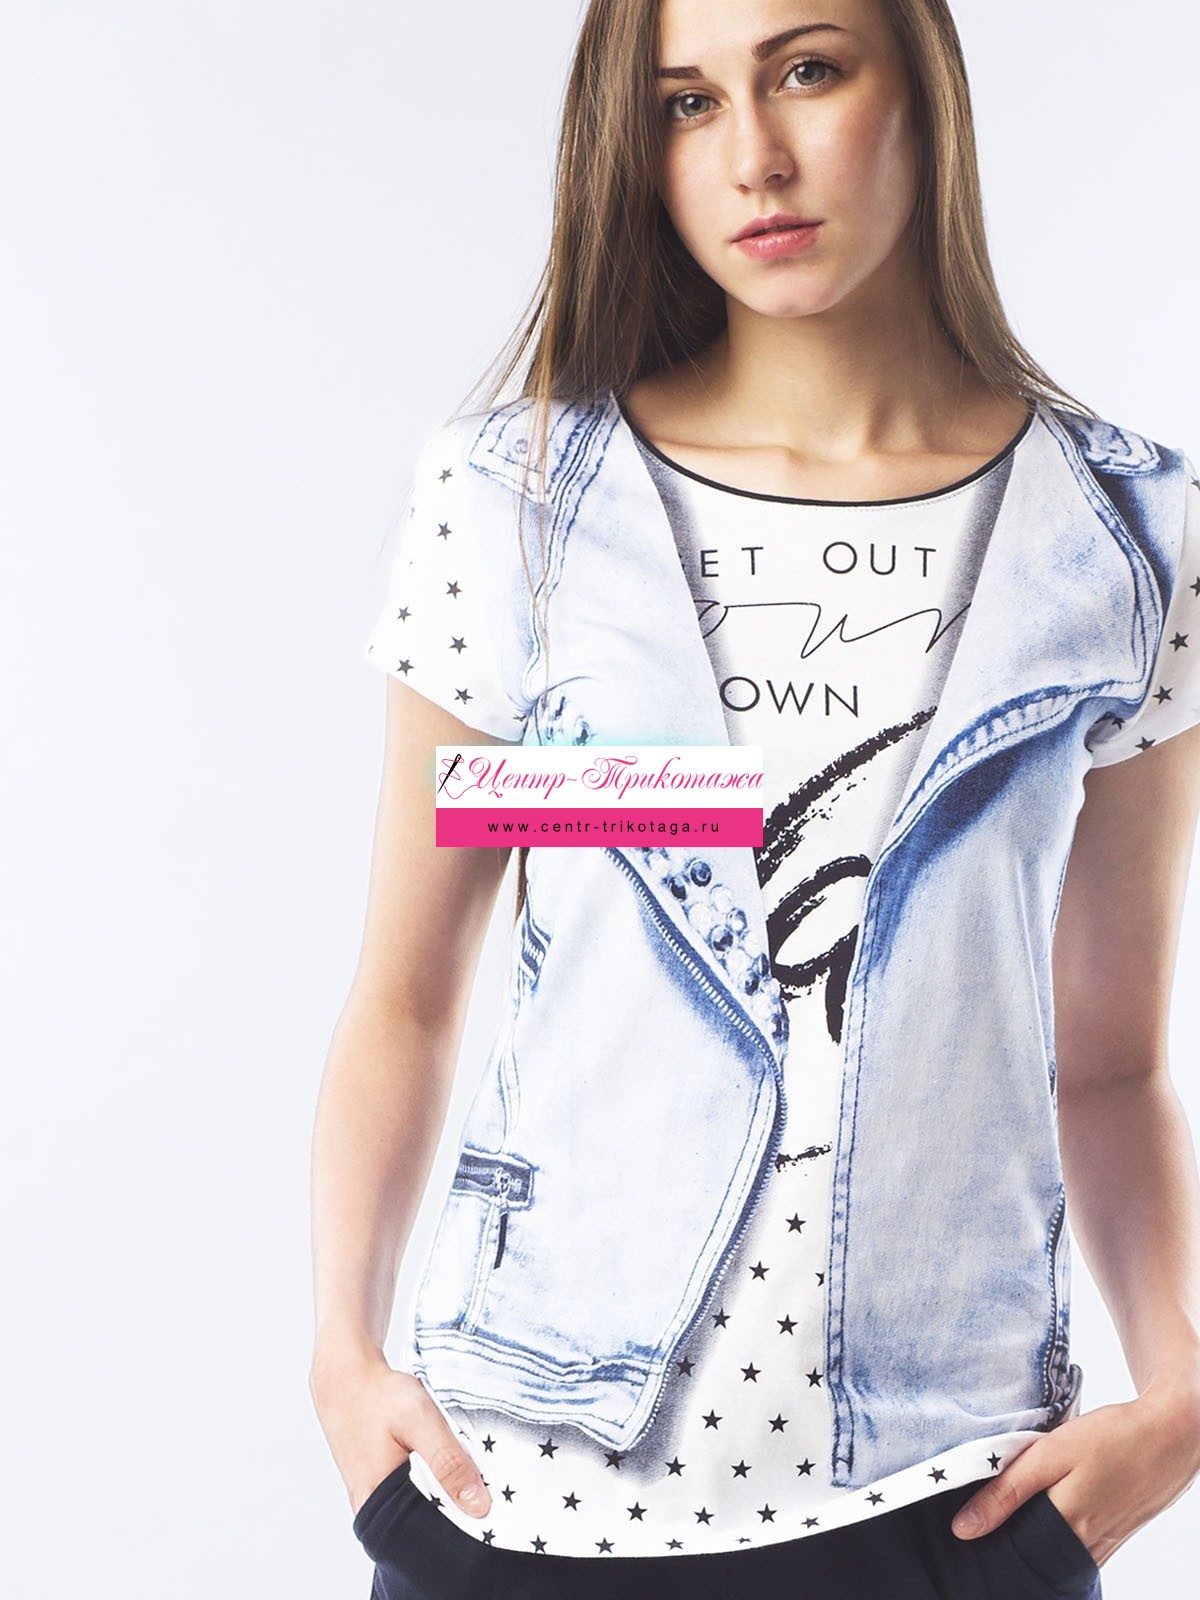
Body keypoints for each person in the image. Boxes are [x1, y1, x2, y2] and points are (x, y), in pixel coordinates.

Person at [308, 1, 1200, 1595]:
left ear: (920, 86)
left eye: (807, 69)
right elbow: (409, 998)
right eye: (685, 103)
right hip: (525, 1497)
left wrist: (1184, 1388)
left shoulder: (1124, 535)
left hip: (946, 1503)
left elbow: (1112, 1059)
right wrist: (341, 1355)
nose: (756, 157)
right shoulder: (519, 510)